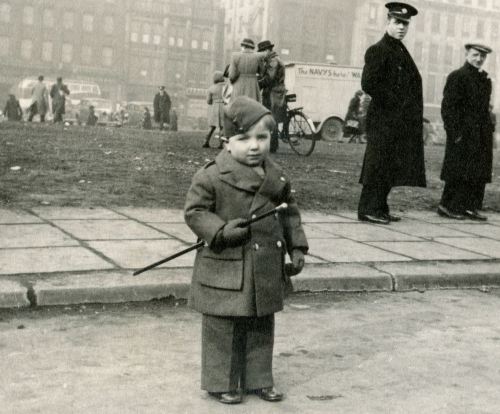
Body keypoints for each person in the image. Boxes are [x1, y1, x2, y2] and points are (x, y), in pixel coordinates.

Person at [184, 96, 309, 405]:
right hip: (226, 263)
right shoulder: (212, 175)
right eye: (244, 139)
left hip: (264, 264)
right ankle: (220, 382)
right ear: (226, 142)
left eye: (262, 138)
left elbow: (289, 212)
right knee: (222, 327)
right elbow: (195, 212)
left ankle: (258, 380)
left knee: (260, 325)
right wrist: (221, 230)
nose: (254, 146)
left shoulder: (275, 176)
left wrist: (297, 247)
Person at [357, 2, 426, 225]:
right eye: (397, 22)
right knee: (377, 164)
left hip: (398, 121)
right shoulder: (379, 50)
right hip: (384, 119)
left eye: (405, 24)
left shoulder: (399, 50)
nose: (401, 27)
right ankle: (368, 208)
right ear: (387, 22)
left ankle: (380, 207)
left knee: (389, 165)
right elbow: (368, 84)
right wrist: (396, 101)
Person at [437, 43, 495, 221]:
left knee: (477, 171)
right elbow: (448, 107)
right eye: (475, 55)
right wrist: (455, 133)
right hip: (463, 134)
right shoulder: (458, 76)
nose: (479, 59)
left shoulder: (484, 80)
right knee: (458, 170)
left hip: (481, 134)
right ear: (467, 54)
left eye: (482, 57)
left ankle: (470, 207)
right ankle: (447, 205)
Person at [258, 40, 286, 153]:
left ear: (267, 50)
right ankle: (272, 144)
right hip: (274, 91)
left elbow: (270, 78)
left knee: (271, 117)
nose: (260, 54)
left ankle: (272, 145)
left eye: (261, 51)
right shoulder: (271, 59)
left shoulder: (273, 61)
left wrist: (257, 83)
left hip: (273, 92)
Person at [228, 38, 267, 103]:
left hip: (239, 84)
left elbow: (232, 76)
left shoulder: (235, 56)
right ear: (253, 47)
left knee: (238, 106)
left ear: (243, 46)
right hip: (253, 86)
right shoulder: (258, 56)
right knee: (252, 106)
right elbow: (262, 72)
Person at [203, 71, 225, 148]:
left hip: (214, 108)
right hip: (224, 107)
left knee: (212, 126)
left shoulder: (211, 88)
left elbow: (208, 101)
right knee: (223, 126)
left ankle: (206, 141)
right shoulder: (227, 87)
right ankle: (221, 144)